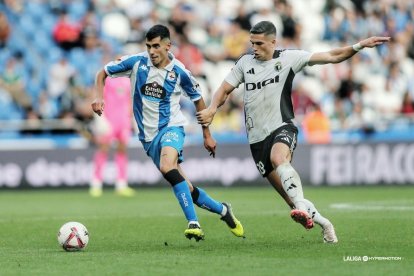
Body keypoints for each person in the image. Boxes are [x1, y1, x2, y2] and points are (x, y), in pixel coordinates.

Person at [197, 21, 390, 243]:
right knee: (291, 199)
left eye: (259, 43)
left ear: (272, 42)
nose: (254, 48)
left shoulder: (289, 58)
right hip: (256, 140)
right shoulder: (244, 63)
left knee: (279, 158)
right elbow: (224, 89)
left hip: (282, 126)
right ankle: (325, 224)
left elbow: (332, 56)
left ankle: (300, 206)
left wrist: (359, 46)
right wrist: (212, 109)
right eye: (252, 43)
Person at [91, 24, 244, 241]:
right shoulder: (136, 62)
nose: (151, 51)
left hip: (172, 127)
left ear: (167, 45)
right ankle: (223, 210)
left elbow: (198, 100)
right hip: (148, 138)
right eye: (148, 46)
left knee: (166, 166)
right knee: (186, 187)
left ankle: (193, 223)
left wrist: (207, 134)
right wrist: (98, 96)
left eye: (155, 46)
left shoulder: (179, 71)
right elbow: (102, 73)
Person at [90, 76, 135, 197]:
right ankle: (96, 183)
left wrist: (131, 119)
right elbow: (99, 98)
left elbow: (129, 101)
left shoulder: (127, 81)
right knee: (103, 149)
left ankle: (121, 184)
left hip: (123, 121)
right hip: (109, 120)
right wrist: (100, 119)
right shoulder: (107, 80)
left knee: (122, 150)